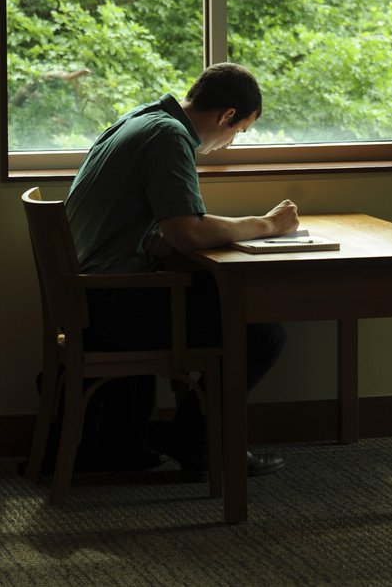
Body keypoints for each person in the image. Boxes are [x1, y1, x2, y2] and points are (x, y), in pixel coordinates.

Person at [64, 62, 300, 476]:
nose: (230, 143)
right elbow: (189, 232)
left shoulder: (141, 119)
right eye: (238, 131)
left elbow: (168, 223)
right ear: (227, 115)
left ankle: (190, 436)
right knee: (262, 334)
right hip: (111, 305)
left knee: (225, 305)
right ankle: (197, 440)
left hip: (88, 296)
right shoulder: (170, 137)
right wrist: (267, 225)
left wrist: (157, 231)